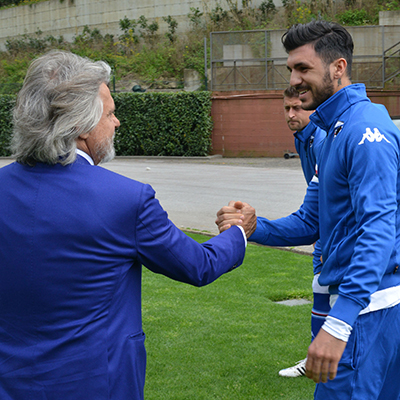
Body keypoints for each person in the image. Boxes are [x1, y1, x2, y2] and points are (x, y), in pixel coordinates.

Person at [0, 50, 256, 400]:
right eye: (110, 113)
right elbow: (198, 265)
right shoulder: (126, 199)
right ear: (80, 125)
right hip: (96, 385)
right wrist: (238, 231)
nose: (117, 122)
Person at [216, 20, 400, 400]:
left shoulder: (365, 131)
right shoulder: (329, 132)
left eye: (304, 69)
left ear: (338, 68)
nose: (295, 80)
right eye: (291, 70)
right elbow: (312, 221)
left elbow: (378, 229)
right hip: (366, 311)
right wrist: (254, 227)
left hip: (370, 311)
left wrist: (339, 323)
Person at [278, 86, 330, 378]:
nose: (291, 114)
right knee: (320, 289)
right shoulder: (303, 139)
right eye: (286, 109)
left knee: (331, 291)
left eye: (298, 108)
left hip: (334, 230)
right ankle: (316, 359)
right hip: (324, 226)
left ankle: (323, 360)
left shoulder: (322, 140)